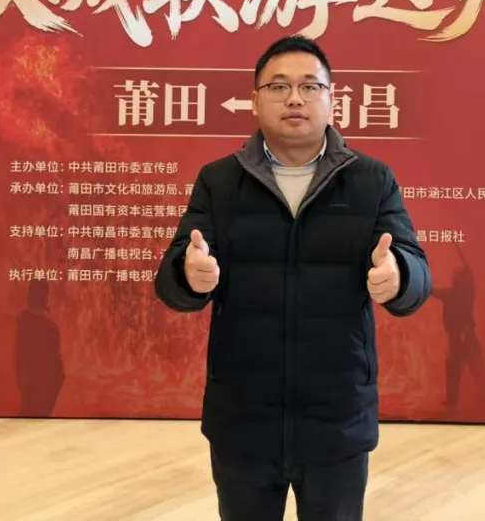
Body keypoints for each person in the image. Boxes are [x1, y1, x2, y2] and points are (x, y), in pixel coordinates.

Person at [155, 35, 431, 520]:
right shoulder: (219, 181)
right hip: (243, 417)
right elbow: (171, 280)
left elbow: (416, 271)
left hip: (337, 418)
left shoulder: (371, 180)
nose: (295, 99)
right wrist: (189, 274)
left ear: (331, 99)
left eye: (310, 86)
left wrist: (399, 276)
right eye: (279, 86)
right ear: (255, 100)